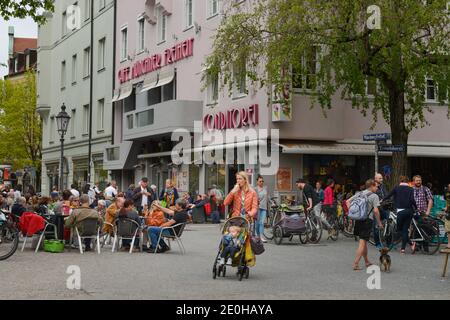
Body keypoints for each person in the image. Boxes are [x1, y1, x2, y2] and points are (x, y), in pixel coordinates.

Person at [347, 179, 383, 271]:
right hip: (367, 220)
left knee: (363, 241)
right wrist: (379, 223)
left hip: (359, 219)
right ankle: (355, 263)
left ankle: (366, 261)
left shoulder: (360, 193)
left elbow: (347, 201)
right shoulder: (374, 196)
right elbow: (375, 211)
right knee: (362, 242)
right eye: (376, 186)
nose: (377, 188)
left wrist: (352, 213)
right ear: (371, 186)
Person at [384, 176, 418, 254]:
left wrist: (382, 200)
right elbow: (413, 200)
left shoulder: (397, 188)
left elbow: (389, 195)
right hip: (409, 211)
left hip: (401, 211)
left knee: (400, 230)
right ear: (407, 181)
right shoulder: (411, 189)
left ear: (400, 181)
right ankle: (405, 248)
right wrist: (416, 208)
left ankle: (408, 245)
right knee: (405, 229)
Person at [374, 173, 389, 249]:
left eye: (382, 178)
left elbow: (386, 195)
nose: (381, 180)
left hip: (384, 207)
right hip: (377, 208)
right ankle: (377, 243)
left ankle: (388, 242)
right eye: (380, 178)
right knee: (376, 225)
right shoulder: (373, 187)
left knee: (388, 222)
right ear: (375, 179)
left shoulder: (383, 186)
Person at [255, 175, 268, 242]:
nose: (261, 182)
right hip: (258, 208)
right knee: (257, 223)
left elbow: (267, 197)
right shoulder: (255, 189)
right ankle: (257, 235)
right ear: (257, 182)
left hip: (264, 208)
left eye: (262, 181)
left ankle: (261, 236)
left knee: (262, 222)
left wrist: (272, 203)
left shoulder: (265, 188)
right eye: (260, 181)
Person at [442, 183, 450, 252]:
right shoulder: (447, 194)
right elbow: (447, 203)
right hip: (448, 214)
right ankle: (449, 244)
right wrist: (446, 208)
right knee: (448, 230)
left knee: (449, 230)